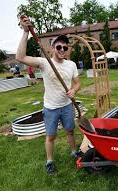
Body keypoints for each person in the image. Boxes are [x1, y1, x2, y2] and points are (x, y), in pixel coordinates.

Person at [16, 17, 80, 175]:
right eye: (59, 46)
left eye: (65, 47)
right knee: (50, 136)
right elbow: (20, 57)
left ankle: (74, 151)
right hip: (51, 108)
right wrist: (25, 33)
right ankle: (50, 161)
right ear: (52, 48)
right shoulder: (44, 63)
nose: (62, 49)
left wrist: (74, 90)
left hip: (66, 106)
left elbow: (78, 83)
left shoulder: (71, 65)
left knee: (70, 131)